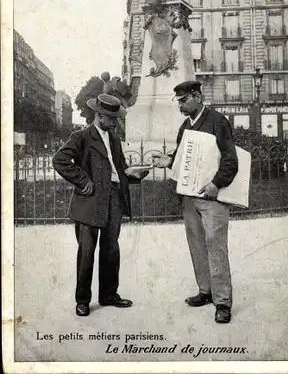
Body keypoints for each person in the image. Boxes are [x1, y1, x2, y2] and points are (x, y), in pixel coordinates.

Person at [52, 94, 148, 317]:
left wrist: (131, 174)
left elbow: (119, 167)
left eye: (116, 118)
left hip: (114, 198)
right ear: (99, 115)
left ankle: (108, 295)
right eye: (111, 118)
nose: (115, 122)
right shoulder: (81, 136)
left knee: (111, 248)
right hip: (90, 200)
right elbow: (60, 160)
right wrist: (83, 180)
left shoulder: (114, 138)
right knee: (86, 251)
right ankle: (83, 300)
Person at [153, 81, 238, 324]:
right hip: (190, 198)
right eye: (178, 101)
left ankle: (222, 302)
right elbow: (183, 159)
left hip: (212, 197)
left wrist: (216, 183)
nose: (179, 105)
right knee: (197, 245)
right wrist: (169, 160)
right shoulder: (185, 126)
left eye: (183, 100)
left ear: (198, 97)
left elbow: (231, 160)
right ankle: (206, 291)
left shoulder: (218, 121)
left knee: (216, 247)